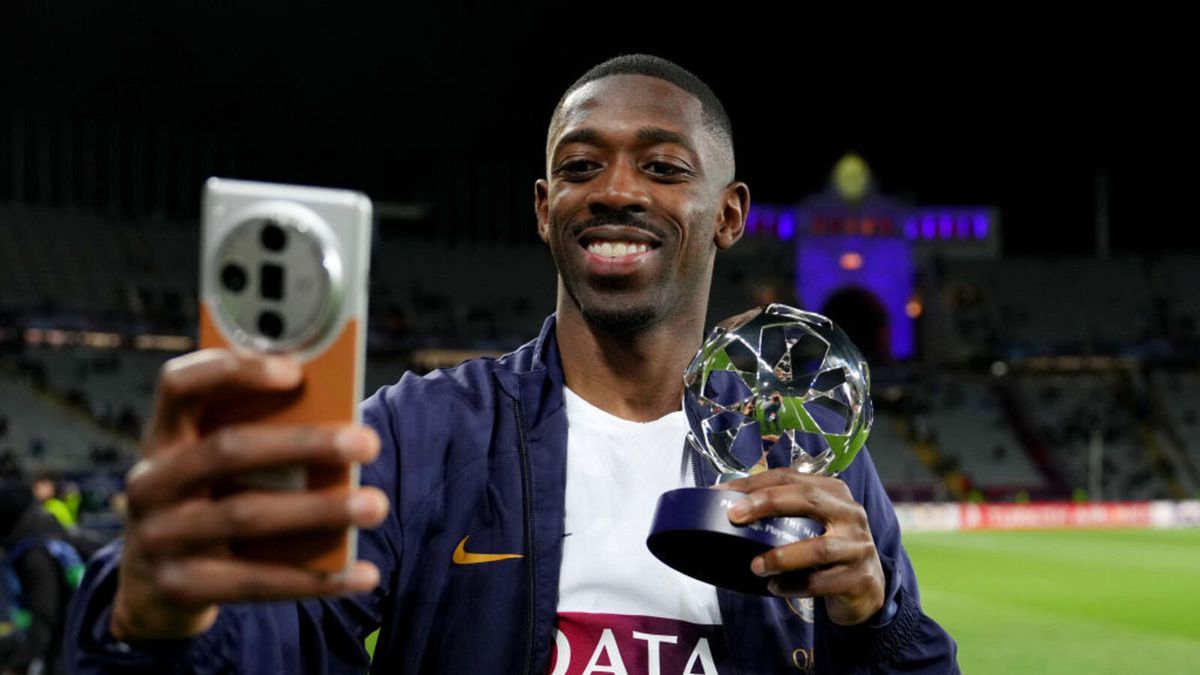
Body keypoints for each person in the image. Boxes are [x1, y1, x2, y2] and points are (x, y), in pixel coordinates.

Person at [67, 55, 958, 673]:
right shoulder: (419, 433)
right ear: (545, 207)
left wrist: (875, 622)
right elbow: (274, 632)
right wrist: (151, 618)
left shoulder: (800, 462)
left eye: (660, 164)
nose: (615, 190)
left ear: (728, 214)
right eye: (581, 166)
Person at [1, 478, 76, 675]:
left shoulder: (34, 551)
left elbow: (45, 613)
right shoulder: (45, 530)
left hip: (70, 643)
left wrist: (18, 665)